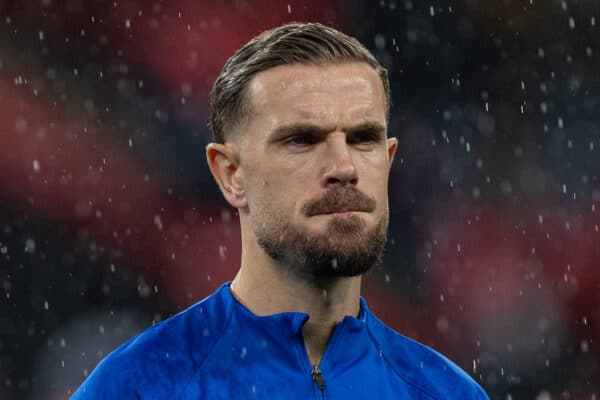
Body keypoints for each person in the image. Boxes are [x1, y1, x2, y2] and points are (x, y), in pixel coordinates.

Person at [72, 22, 489, 399]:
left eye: (363, 138)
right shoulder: (138, 387)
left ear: (389, 157)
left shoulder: (448, 393)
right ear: (231, 174)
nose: (343, 167)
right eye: (302, 140)